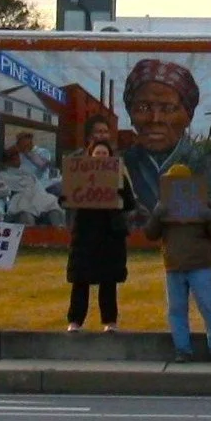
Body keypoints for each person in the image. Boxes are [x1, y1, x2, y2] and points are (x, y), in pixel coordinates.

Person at [144, 165, 211, 362]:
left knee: (208, 307)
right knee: (177, 310)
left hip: (200, 265)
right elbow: (150, 234)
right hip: (173, 265)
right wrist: (156, 215)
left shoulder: (204, 203)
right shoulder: (164, 206)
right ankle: (183, 350)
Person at [65, 141, 133, 332]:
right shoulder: (79, 176)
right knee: (80, 280)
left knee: (108, 281)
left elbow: (130, 202)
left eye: (104, 153)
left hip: (110, 236)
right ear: (90, 155)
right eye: (98, 152)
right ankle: (75, 322)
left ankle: (110, 322)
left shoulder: (119, 176)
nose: (101, 155)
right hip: (84, 235)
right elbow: (66, 199)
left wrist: (116, 193)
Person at [121, 59, 203, 216]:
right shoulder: (123, 164)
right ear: (131, 114)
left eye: (169, 108)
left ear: (188, 117)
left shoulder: (200, 162)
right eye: (143, 108)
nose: (155, 118)